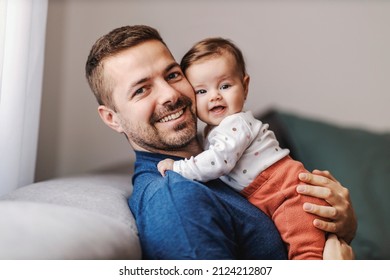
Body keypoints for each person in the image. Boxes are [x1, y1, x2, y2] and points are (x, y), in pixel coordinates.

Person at [85, 25, 357, 260]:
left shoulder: (223, 162)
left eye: (172, 75)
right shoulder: (177, 198)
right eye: (142, 89)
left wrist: (341, 227)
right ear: (112, 119)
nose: (169, 94)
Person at [157, 37, 329, 259]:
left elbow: (218, 161)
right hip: (266, 193)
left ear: (245, 87)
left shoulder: (237, 124)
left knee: (307, 252)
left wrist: (179, 168)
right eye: (201, 91)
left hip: (285, 191)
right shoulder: (214, 130)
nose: (215, 96)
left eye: (225, 86)